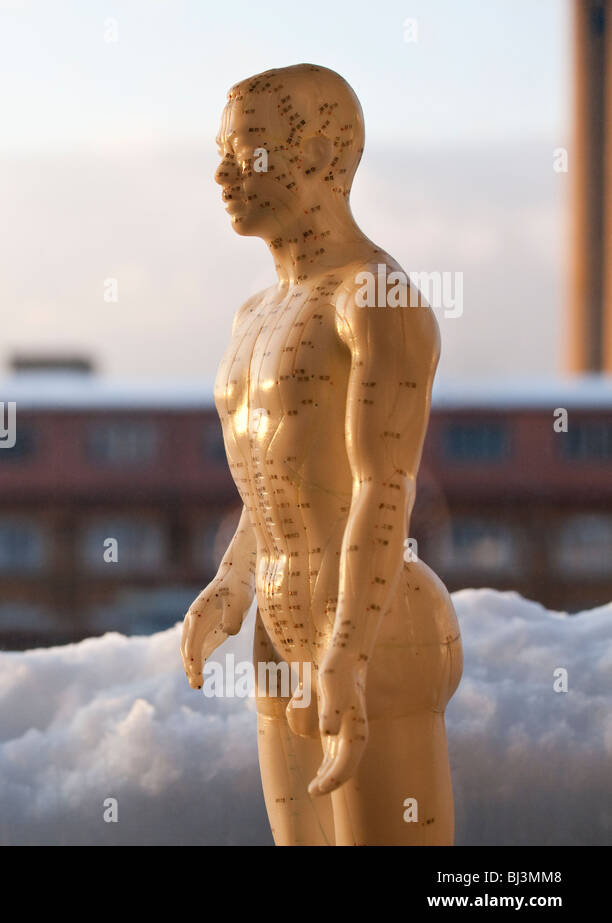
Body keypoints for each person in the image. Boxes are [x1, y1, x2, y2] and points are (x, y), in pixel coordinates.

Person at [181, 63, 463, 845]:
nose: (223, 173)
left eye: (250, 150)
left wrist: (348, 648)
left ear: (324, 156)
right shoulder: (254, 314)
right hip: (278, 628)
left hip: (380, 631)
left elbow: (385, 484)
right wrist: (231, 586)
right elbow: (278, 474)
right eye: (222, 152)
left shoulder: (374, 296)